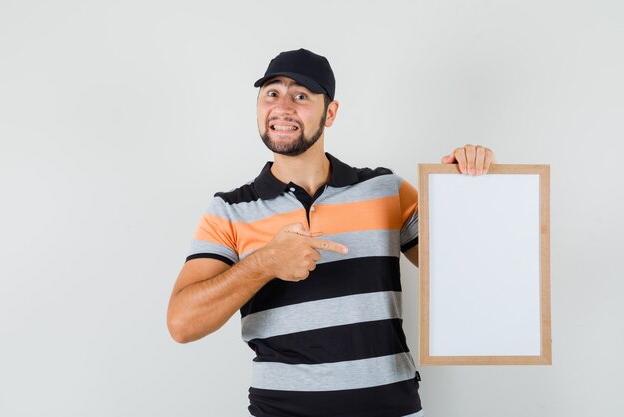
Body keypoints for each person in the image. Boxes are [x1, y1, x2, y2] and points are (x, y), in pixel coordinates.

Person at [167, 48, 495, 417]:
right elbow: (182, 324)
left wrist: (464, 188)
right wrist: (264, 263)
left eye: (302, 95)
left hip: (390, 407)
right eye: (271, 93)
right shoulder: (229, 210)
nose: (283, 106)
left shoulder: (385, 189)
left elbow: (466, 271)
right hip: (281, 410)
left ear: (331, 113)